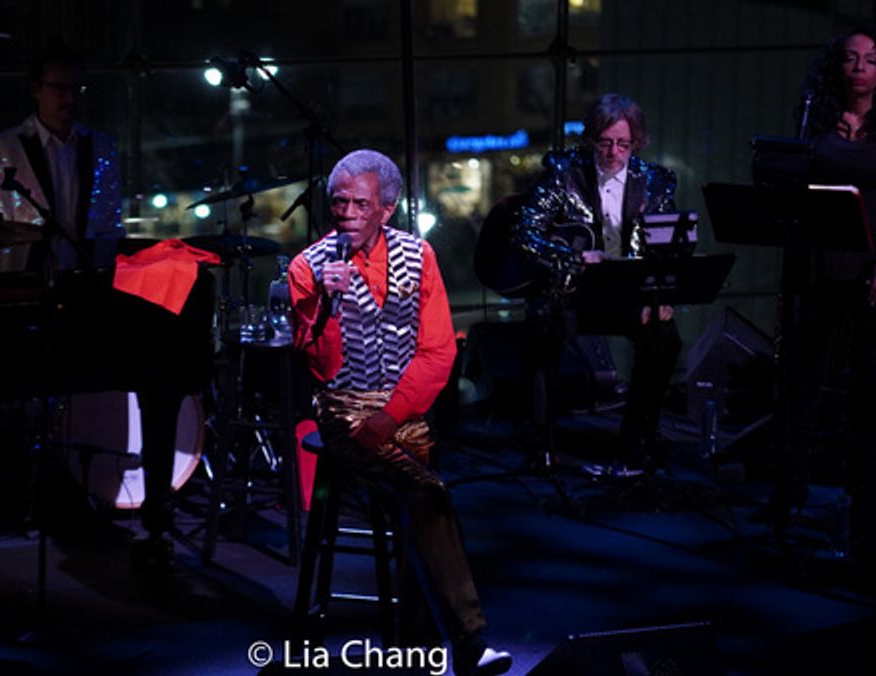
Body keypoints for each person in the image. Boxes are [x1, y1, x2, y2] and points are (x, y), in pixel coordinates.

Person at [289, 149, 511, 675]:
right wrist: (326, 302)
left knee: (421, 502)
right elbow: (318, 363)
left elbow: (439, 351)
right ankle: (469, 641)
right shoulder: (308, 267)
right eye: (338, 202)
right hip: (345, 408)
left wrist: (395, 413)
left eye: (358, 204)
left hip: (404, 410)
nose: (345, 212)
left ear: (385, 210)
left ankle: (417, 642)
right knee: (428, 492)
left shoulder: (419, 255)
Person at [772, 27, 876, 566]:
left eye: (871, 60)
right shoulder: (816, 117)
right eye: (850, 59)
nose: (860, 68)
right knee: (804, 383)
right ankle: (788, 497)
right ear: (837, 67)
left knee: (870, 391)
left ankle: (867, 506)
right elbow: (790, 186)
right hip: (821, 269)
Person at [506, 93, 681, 474]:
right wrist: (573, 258)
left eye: (623, 143)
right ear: (591, 140)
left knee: (664, 338)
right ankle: (544, 443)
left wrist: (661, 295)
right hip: (572, 289)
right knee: (544, 328)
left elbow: (665, 247)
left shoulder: (654, 183)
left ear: (636, 142)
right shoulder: (562, 173)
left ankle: (637, 440)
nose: (614, 152)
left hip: (628, 292)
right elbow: (525, 232)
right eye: (605, 142)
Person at [0, 37, 123, 274]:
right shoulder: (2, 148)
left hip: (86, 278)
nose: (70, 98)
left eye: (76, 88)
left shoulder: (102, 146)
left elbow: (109, 224)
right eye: (60, 88)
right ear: (36, 90)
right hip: (29, 277)